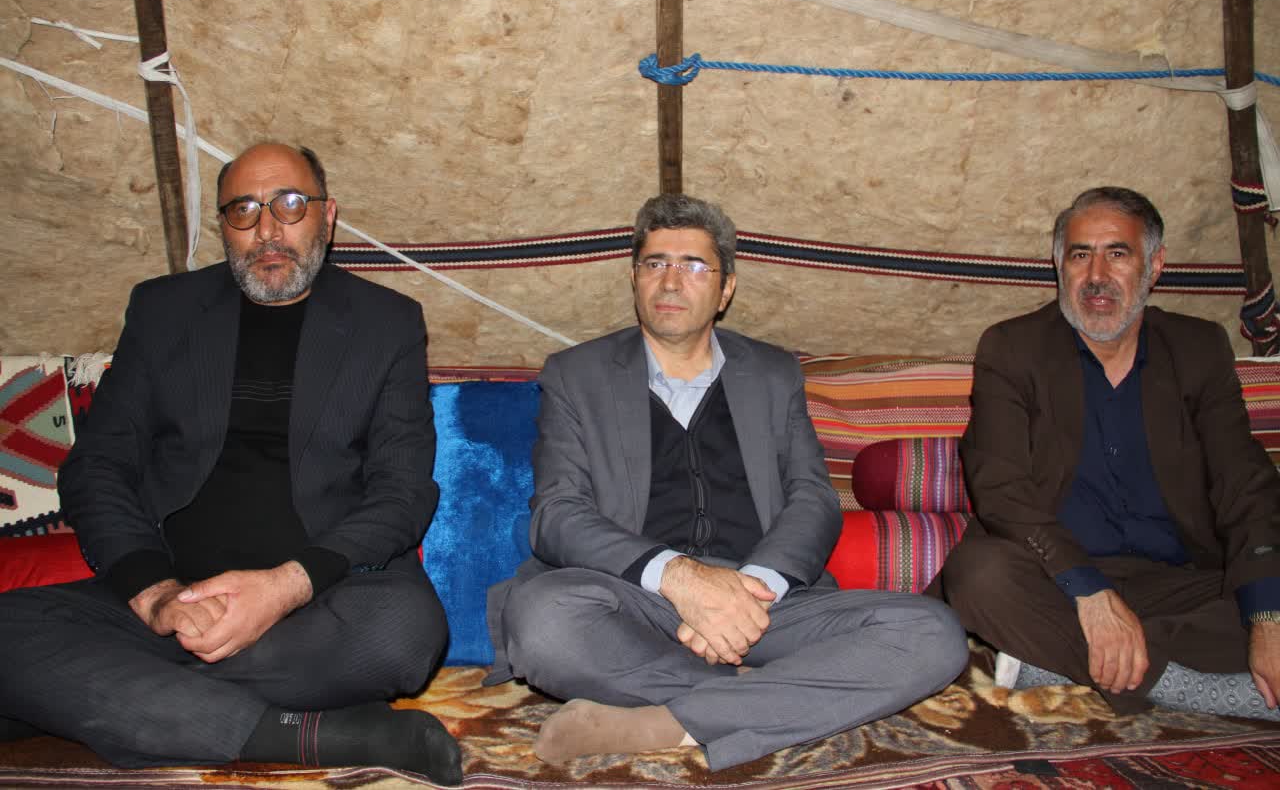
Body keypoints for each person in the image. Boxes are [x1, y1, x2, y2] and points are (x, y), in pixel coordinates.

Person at [0, 143, 462, 782]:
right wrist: (156, 594)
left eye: (289, 205)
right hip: (170, 602)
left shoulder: (386, 323)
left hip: (318, 600)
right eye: (243, 210)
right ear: (223, 226)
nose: (267, 230)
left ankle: (105, 700)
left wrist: (283, 587)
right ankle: (304, 733)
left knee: (403, 633)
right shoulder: (163, 311)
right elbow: (97, 466)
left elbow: (403, 491)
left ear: (327, 217)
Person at [484, 193, 968, 771]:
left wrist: (752, 591)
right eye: (655, 263)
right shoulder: (576, 374)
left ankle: (669, 723)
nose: (670, 281)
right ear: (634, 278)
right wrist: (681, 579)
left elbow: (813, 497)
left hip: (767, 607)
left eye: (693, 266)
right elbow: (557, 514)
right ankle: (775, 697)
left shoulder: (773, 372)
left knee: (933, 632)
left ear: (726, 288)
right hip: (637, 604)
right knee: (541, 620)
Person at [940, 186, 1280, 720]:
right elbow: (999, 489)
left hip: (1182, 584)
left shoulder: (1198, 348)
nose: (1096, 275)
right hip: (1057, 580)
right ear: (1060, 265)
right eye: (1081, 255)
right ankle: (1188, 688)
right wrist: (1090, 592)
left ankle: (1053, 662)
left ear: (1154, 265)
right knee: (978, 575)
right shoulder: (1013, 348)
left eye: (1117, 253)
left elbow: (1245, 481)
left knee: (1266, 594)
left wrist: (1267, 618)